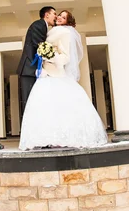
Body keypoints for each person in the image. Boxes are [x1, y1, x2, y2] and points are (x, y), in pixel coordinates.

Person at [19, 10, 108, 150]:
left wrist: (49, 55)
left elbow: (65, 57)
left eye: (64, 17)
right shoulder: (48, 31)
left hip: (56, 74)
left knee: (60, 107)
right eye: (59, 15)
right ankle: (47, 138)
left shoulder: (66, 33)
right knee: (45, 108)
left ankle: (65, 138)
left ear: (68, 21)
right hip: (45, 73)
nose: (60, 17)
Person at [16, 6, 57, 121]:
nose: (56, 16)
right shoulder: (39, 25)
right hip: (29, 68)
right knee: (29, 101)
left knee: (34, 101)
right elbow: (39, 46)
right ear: (47, 14)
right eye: (54, 13)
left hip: (32, 68)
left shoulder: (42, 26)